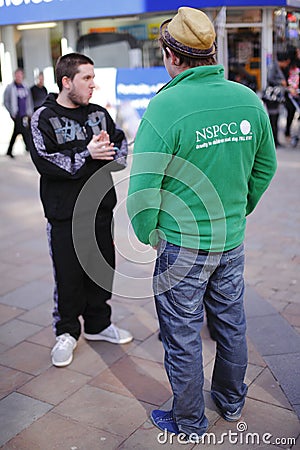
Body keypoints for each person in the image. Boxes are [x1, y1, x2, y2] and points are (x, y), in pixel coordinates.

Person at [127, 7, 277, 442]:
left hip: (182, 245)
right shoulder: (247, 99)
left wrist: (149, 232)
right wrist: (240, 207)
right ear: (210, 53)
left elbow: (143, 188)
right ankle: (231, 402)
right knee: (231, 324)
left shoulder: (166, 106)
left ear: (172, 55)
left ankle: (190, 422)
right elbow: (265, 167)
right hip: (231, 241)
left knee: (182, 333)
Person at [30, 52, 133, 368]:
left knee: (101, 272)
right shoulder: (43, 118)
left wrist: (108, 153)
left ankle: (100, 325)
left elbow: (122, 151)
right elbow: (45, 161)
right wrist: (87, 153)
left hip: (101, 212)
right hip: (65, 217)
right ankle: (67, 332)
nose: (93, 84)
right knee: (68, 277)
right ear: (66, 81)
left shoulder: (100, 114)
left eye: (93, 77)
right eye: (86, 78)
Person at [3, 67, 34, 158]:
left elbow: (29, 100)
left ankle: (11, 150)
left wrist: (30, 112)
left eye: (20, 75)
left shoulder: (25, 87)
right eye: (17, 75)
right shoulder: (10, 88)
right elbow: (6, 101)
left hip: (25, 113)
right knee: (23, 131)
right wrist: (11, 112)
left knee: (19, 131)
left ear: (22, 76)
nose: (18, 77)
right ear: (14, 76)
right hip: (16, 114)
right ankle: (28, 147)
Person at [263, 52, 290, 148]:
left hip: (276, 98)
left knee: (276, 118)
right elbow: (270, 79)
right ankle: (273, 141)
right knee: (273, 119)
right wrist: (280, 82)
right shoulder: (273, 67)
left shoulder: (277, 67)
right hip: (272, 98)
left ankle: (276, 140)